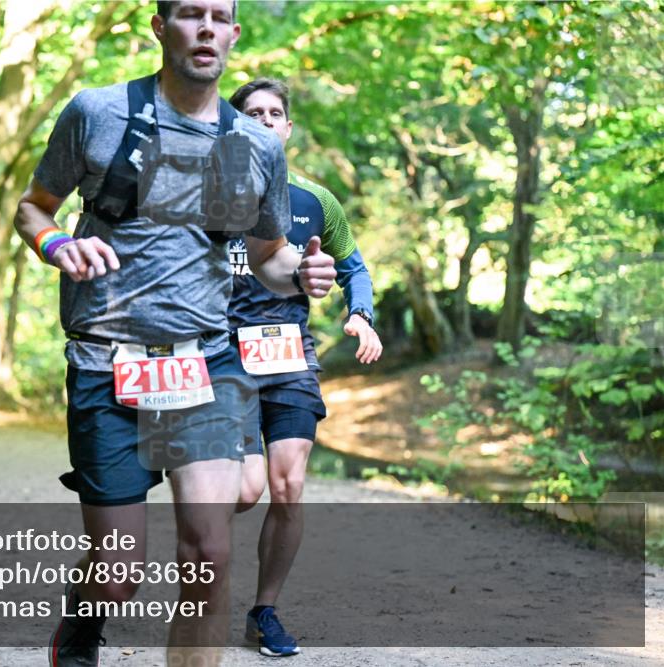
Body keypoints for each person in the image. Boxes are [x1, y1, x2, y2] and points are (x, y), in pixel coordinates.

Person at [13, 2, 338, 665]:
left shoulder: (255, 146)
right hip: (106, 361)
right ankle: (83, 622)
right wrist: (54, 245)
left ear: (234, 35)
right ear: (162, 28)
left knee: (208, 556)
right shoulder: (97, 113)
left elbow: (270, 255)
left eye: (221, 17)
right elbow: (32, 208)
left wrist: (302, 273)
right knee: (118, 569)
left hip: (205, 364)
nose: (207, 28)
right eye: (192, 14)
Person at [227, 78, 383, 657]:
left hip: (288, 354)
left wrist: (361, 315)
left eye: (276, 113)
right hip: (223, 355)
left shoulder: (315, 201)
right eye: (253, 113)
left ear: (288, 129)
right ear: (235, 127)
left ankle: (264, 610)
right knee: (244, 493)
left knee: (288, 486)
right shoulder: (207, 196)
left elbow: (354, 267)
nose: (266, 120)